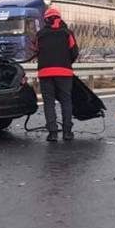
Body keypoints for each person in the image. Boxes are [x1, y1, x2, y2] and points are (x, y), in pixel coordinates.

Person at [34, 7, 79, 141]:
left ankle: (52, 133)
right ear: (59, 18)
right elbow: (74, 52)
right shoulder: (67, 33)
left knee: (49, 103)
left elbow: (36, 50)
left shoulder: (40, 34)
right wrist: (66, 63)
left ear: (46, 19)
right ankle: (67, 132)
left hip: (45, 73)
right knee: (66, 100)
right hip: (64, 73)